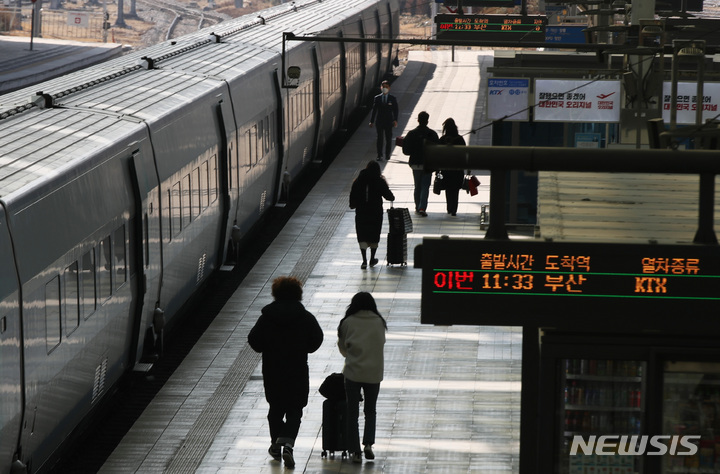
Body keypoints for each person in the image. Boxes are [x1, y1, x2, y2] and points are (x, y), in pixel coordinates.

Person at [248, 276, 324, 468]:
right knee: (295, 410)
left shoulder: (267, 317)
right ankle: (287, 444)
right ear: (298, 294)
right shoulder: (305, 317)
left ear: (276, 293)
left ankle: (276, 445)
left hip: (273, 371)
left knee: (275, 410)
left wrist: (267, 347)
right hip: (297, 371)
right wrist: (304, 347)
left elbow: (254, 340)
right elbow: (317, 339)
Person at [337, 292, 387, 464]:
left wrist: (351, 356)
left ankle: (355, 451)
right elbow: (381, 343)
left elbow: (342, 347)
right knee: (370, 410)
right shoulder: (379, 322)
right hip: (374, 373)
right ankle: (368, 444)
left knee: (352, 412)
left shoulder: (348, 322)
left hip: (353, 373)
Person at [349, 160, 395, 269]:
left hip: (361, 212)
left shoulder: (358, 181)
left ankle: (364, 260)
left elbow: (352, 196)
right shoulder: (379, 181)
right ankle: (372, 258)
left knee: (362, 235)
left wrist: (353, 204)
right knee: (374, 235)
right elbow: (390, 197)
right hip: (375, 213)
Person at [402, 111, 439, 217]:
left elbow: (406, 151)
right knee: (425, 186)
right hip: (428, 165)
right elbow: (437, 150)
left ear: (418, 120)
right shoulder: (432, 134)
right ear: (427, 121)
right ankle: (422, 207)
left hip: (415, 164)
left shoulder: (411, 133)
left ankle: (417, 207)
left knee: (417, 186)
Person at [438, 118, 466, 217]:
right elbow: (464, 153)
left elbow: (438, 154)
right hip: (457, 169)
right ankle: (454, 209)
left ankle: (449, 208)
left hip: (446, 169)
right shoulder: (460, 139)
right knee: (455, 190)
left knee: (448, 189)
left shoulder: (442, 139)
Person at [369, 80, 398, 161]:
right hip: (380, 121)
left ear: (389, 88)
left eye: (386, 87)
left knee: (388, 139)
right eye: (383, 87)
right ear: (381, 88)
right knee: (380, 138)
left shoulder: (392, 98)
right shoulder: (377, 98)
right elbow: (374, 110)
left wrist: (395, 120)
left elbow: (395, 110)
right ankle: (379, 155)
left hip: (389, 122)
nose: (385, 88)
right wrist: (372, 121)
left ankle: (387, 155)